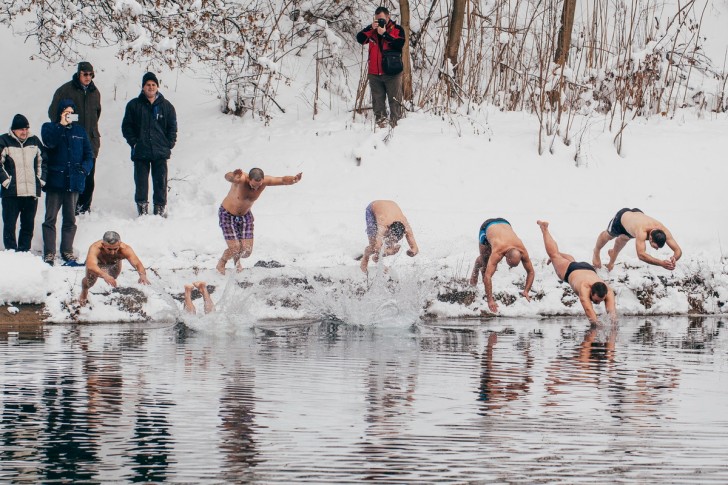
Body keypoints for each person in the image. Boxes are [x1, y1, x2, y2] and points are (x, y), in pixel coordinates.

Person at [217, 167, 303, 275]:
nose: (256, 189)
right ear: (249, 179)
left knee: (246, 251)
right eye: (253, 185)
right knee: (235, 248)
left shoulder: (265, 181)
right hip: (227, 215)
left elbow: (281, 180)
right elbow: (227, 176)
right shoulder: (241, 178)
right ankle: (222, 262)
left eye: (259, 185)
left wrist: (293, 179)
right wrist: (233, 177)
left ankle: (237, 259)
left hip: (245, 215)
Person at [41, 99, 94, 266]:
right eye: (65, 112)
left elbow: (89, 154)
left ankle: (67, 251)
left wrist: (84, 170)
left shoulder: (80, 131)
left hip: (74, 182)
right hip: (55, 182)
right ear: (60, 113)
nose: (68, 115)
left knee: (70, 219)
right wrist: (61, 125)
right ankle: (49, 253)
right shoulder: (49, 128)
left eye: (71, 113)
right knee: (50, 219)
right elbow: (50, 143)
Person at [538, 220, 617, 325]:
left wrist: (614, 327)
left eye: (600, 300)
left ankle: (560, 256)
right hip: (571, 270)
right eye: (597, 300)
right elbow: (589, 311)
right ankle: (544, 229)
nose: (598, 303)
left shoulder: (608, 291)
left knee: (567, 260)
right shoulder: (584, 288)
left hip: (586, 268)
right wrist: (597, 326)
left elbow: (612, 313)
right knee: (554, 255)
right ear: (591, 292)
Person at [48, 61, 102, 215]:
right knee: (73, 175)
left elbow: (97, 114)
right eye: (85, 74)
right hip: (71, 140)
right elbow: (53, 113)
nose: (88, 77)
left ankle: (85, 207)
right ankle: (72, 208)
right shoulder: (65, 90)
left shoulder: (95, 92)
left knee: (89, 175)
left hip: (90, 140)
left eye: (90, 74)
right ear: (79, 74)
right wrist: (71, 121)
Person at [121, 72, 178, 217]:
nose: (151, 87)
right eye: (148, 85)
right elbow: (126, 126)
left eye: (153, 85)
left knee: (160, 182)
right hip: (141, 151)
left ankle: (159, 209)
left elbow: (172, 127)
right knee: (141, 182)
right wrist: (134, 142)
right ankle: (142, 209)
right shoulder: (134, 105)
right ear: (143, 87)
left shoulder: (167, 106)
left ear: (157, 87)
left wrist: (169, 143)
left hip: (160, 151)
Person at [470, 217, 535, 313]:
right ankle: (476, 277)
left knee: (489, 266)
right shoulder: (498, 251)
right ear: (506, 256)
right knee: (485, 264)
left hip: (505, 222)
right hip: (487, 227)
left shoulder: (522, 250)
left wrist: (526, 291)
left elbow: (531, 272)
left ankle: (486, 293)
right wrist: (490, 300)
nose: (510, 267)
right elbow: (488, 277)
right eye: (511, 265)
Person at [0, 114, 45, 252]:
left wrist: (40, 180)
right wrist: (6, 181)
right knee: (9, 225)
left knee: (28, 225)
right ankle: (11, 252)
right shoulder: (4, 141)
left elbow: (43, 161)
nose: (24, 132)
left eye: (26, 129)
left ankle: (24, 252)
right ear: (13, 130)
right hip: (11, 193)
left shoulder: (34, 141)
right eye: (21, 129)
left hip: (31, 192)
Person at [356, 6, 406, 128]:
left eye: (382, 19)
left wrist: (384, 34)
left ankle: (396, 124)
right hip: (374, 72)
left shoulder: (397, 29)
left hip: (392, 72)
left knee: (394, 100)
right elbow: (360, 39)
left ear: (388, 17)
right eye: (377, 19)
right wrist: (370, 28)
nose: (380, 22)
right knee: (378, 101)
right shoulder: (372, 30)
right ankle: (380, 123)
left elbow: (399, 44)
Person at [592, 208, 682, 271]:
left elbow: (678, 250)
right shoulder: (641, 231)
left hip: (635, 219)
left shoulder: (664, 230)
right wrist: (661, 263)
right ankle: (596, 252)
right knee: (608, 235)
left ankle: (612, 257)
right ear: (650, 238)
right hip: (622, 218)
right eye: (655, 246)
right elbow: (641, 255)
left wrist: (675, 258)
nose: (656, 249)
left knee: (623, 239)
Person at [79, 231, 150, 306]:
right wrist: (104, 275)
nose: (112, 252)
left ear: (119, 244)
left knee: (114, 276)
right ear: (103, 245)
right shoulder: (95, 247)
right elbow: (90, 266)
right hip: (98, 263)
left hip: (114, 262)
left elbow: (137, 263)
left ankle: (104, 271)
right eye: (109, 249)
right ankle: (84, 292)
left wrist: (142, 275)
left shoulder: (125, 249)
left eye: (115, 249)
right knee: (89, 282)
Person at [361, 200, 418, 273]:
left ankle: (376, 259)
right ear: (388, 229)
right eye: (393, 238)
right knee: (373, 246)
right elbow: (376, 247)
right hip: (373, 207)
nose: (394, 242)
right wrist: (389, 252)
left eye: (397, 240)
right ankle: (365, 260)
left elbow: (415, 248)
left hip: (390, 206)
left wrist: (412, 252)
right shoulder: (383, 225)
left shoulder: (406, 227)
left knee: (387, 246)